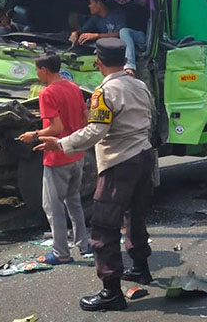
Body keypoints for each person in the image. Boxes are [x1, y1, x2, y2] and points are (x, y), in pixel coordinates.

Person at [34, 38, 156, 312]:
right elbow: (152, 118)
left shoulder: (104, 91)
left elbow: (96, 131)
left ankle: (111, 291)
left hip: (120, 162)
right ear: (124, 61)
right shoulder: (140, 85)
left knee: (103, 226)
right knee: (134, 217)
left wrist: (61, 144)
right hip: (145, 157)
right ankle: (141, 268)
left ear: (98, 63)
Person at [18, 54, 91, 265]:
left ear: (45, 70)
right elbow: (86, 117)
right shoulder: (73, 87)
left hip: (57, 156)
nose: (36, 74)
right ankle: (84, 245)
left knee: (53, 206)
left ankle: (61, 253)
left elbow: (56, 128)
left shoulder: (47, 93)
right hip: (77, 152)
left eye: (37, 70)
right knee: (74, 201)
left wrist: (32, 135)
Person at [68, 0, 144, 77]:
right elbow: (83, 31)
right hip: (122, 48)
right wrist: (75, 33)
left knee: (123, 31)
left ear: (99, 3)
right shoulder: (95, 19)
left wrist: (96, 36)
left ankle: (130, 67)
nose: (89, 6)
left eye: (91, 3)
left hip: (138, 40)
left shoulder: (117, 14)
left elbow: (120, 34)